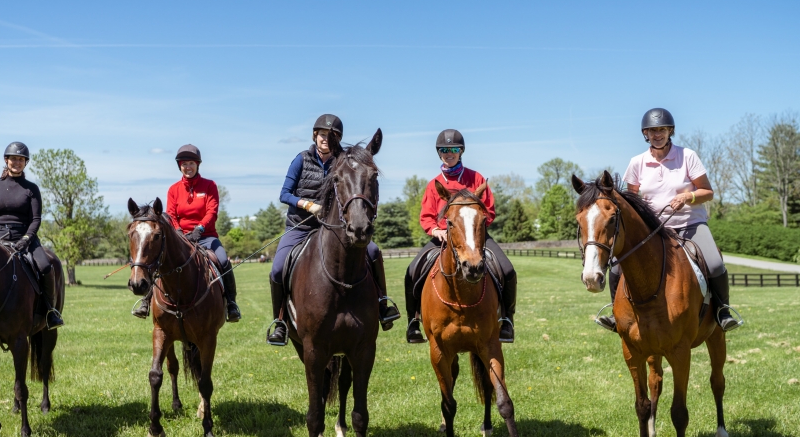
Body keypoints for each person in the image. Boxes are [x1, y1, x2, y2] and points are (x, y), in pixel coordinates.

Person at [596, 108, 743, 333]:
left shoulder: (688, 156)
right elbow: (631, 200)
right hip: (654, 230)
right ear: (645, 133)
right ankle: (616, 315)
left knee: (714, 263)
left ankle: (722, 311)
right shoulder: (637, 163)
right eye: (652, 130)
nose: (657, 134)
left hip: (690, 224)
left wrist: (688, 196)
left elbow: (708, 192)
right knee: (617, 266)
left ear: (670, 131)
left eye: (662, 130)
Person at [266, 114, 400, 346]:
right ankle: (280, 322)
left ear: (338, 140)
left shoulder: (344, 162)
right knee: (277, 269)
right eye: (322, 134)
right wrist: (308, 205)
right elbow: (284, 194)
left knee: (373, 252)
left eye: (333, 136)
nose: (326, 139)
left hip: (334, 229)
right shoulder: (301, 159)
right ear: (315, 136)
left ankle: (383, 304)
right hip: (301, 226)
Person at [403, 129, 518, 344]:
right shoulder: (433, 184)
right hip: (442, 238)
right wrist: (435, 230)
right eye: (445, 150)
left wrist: (473, 229)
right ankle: (413, 322)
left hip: (475, 235)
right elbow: (427, 216)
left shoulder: (476, 178)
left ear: (461, 151)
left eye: (454, 149)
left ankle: (507, 320)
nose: (449, 153)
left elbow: (489, 211)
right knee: (411, 271)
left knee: (508, 270)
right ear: (440, 153)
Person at [0, 141, 63, 332]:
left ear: (26, 163)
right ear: (6, 161)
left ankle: (50, 312)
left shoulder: (31, 189)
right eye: (13, 158)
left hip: (25, 238)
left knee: (46, 267)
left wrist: (26, 239)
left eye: (21, 159)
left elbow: (36, 220)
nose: (17, 162)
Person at [131, 144, 241, 323]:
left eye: (191, 163)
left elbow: (211, 212)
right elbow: (171, 214)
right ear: (179, 166)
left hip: (206, 237)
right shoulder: (173, 189)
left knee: (222, 260)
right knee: (159, 260)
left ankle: (231, 303)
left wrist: (200, 229)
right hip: (180, 237)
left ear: (198, 165)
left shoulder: (210, 186)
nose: (188, 167)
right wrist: (180, 231)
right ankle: (146, 301)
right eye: (184, 164)